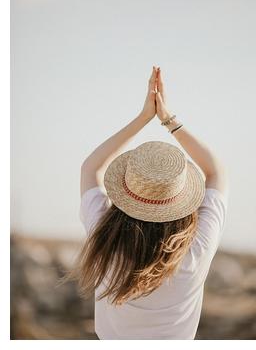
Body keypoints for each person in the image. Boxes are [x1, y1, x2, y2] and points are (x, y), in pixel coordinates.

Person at [69, 66, 229, 339]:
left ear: (126, 193)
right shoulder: (195, 251)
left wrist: (143, 117)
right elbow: (216, 171)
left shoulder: (105, 241)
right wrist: (168, 120)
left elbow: (90, 168)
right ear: (181, 202)